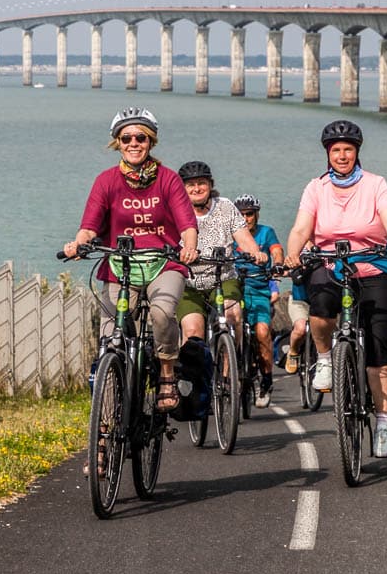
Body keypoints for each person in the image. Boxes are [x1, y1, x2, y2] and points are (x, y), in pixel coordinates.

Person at [284, 119, 387, 459]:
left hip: (373, 264)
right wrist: (293, 253)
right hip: (329, 263)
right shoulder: (316, 188)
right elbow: (301, 228)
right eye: (336, 150)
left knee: (379, 343)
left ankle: (383, 423)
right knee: (321, 308)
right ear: (328, 153)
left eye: (348, 150)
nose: (342, 156)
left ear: (357, 153)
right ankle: (325, 359)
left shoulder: (375, 184)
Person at [63, 107, 199, 414]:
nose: (133, 143)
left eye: (141, 137)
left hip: (163, 263)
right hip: (119, 266)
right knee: (112, 343)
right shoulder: (106, 181)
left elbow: (188, 224)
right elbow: (89, 226)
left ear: (151, 142)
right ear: (118, 143)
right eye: (126, 138)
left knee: (163, 314)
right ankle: (104, 433)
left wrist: (188, 248)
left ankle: (166, 372)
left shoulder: (168, 179)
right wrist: (78, 245)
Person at [175, 162, 267, 374]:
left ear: (210, 185)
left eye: (201, 183)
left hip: (223, 276)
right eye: (190, 185)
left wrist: (255, 252)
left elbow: (242, 235)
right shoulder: (174, 210)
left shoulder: (225, 206)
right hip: (189, 281)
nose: (196, 188)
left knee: (233, 315)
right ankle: (195, 385)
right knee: (191, 332)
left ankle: (230, 373)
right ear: (182, 188)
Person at [232, 194, 283, 408]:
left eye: (249, 214)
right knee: (229, 330)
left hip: (260, 288)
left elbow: (277, 251)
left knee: (262, 332)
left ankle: (266, 380)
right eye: (241, 214)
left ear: (256, 214)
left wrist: (278, 264)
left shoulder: (266, 232)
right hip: (236, 288)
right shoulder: (231, 234)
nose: (245, 218)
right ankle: (227, 381)